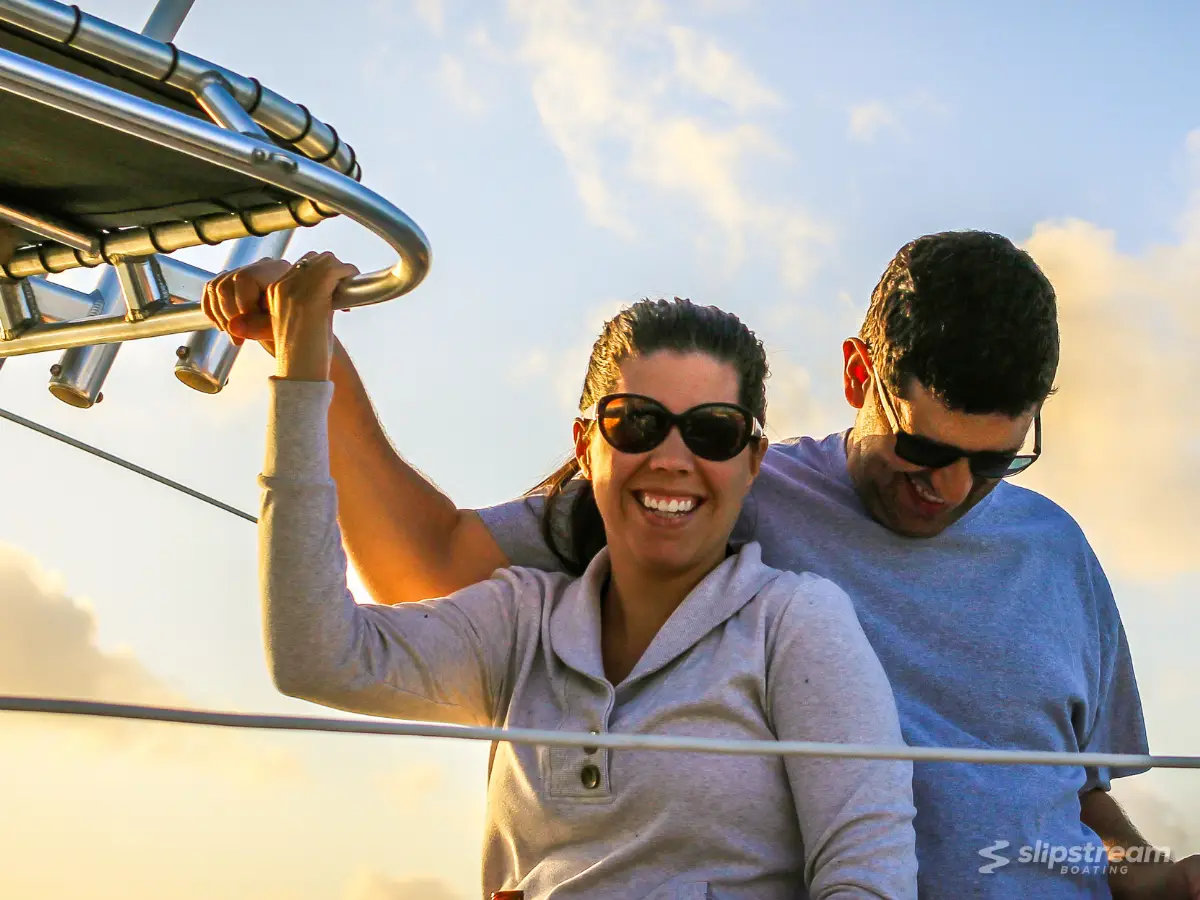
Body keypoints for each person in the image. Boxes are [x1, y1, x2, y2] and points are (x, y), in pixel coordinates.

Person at [206, 230, 1200, 900]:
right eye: (924, 449)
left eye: (993, 463)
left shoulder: (1060, 552)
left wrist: (1162, 873)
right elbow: (427, 568)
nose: (950, 487)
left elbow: (1075, 807)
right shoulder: (713, 480)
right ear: (858, 374)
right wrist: (313, 357)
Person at [253, 253, 919, 899]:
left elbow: (870, 879)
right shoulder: (520, 622)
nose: (672, 459)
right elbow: (316, 658)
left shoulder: (795, 623)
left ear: (751, 462)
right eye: (636, 424)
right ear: (584, 446)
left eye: (713, 432)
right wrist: (302, 370)